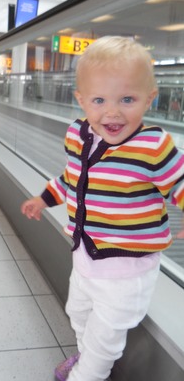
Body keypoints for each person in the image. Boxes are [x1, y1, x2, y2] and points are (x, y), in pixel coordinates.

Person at [21, 36, 184, 381]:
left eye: (127, 99)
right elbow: (70, 178)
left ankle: (88, 374)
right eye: (99, 100)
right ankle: (85, 360)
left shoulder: (153, 147)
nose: (112, 112)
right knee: (77, 315)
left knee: (104, 341)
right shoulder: (78, 134)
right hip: (85, 257)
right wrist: (43, 199)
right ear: (81, 100)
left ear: (149, 98)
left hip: (127, 270)